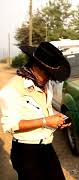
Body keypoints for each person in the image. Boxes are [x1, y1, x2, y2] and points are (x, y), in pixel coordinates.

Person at [0, 42, 71, 180]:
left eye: (51, 74)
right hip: (26, 152)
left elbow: (45, 109)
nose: (48, 78)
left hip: (46, 147)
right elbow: (10, 125)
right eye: (46, 72)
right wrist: (45, 121)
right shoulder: (12, 89)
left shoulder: (45, 84)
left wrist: (57, 116)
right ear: (35, 65)